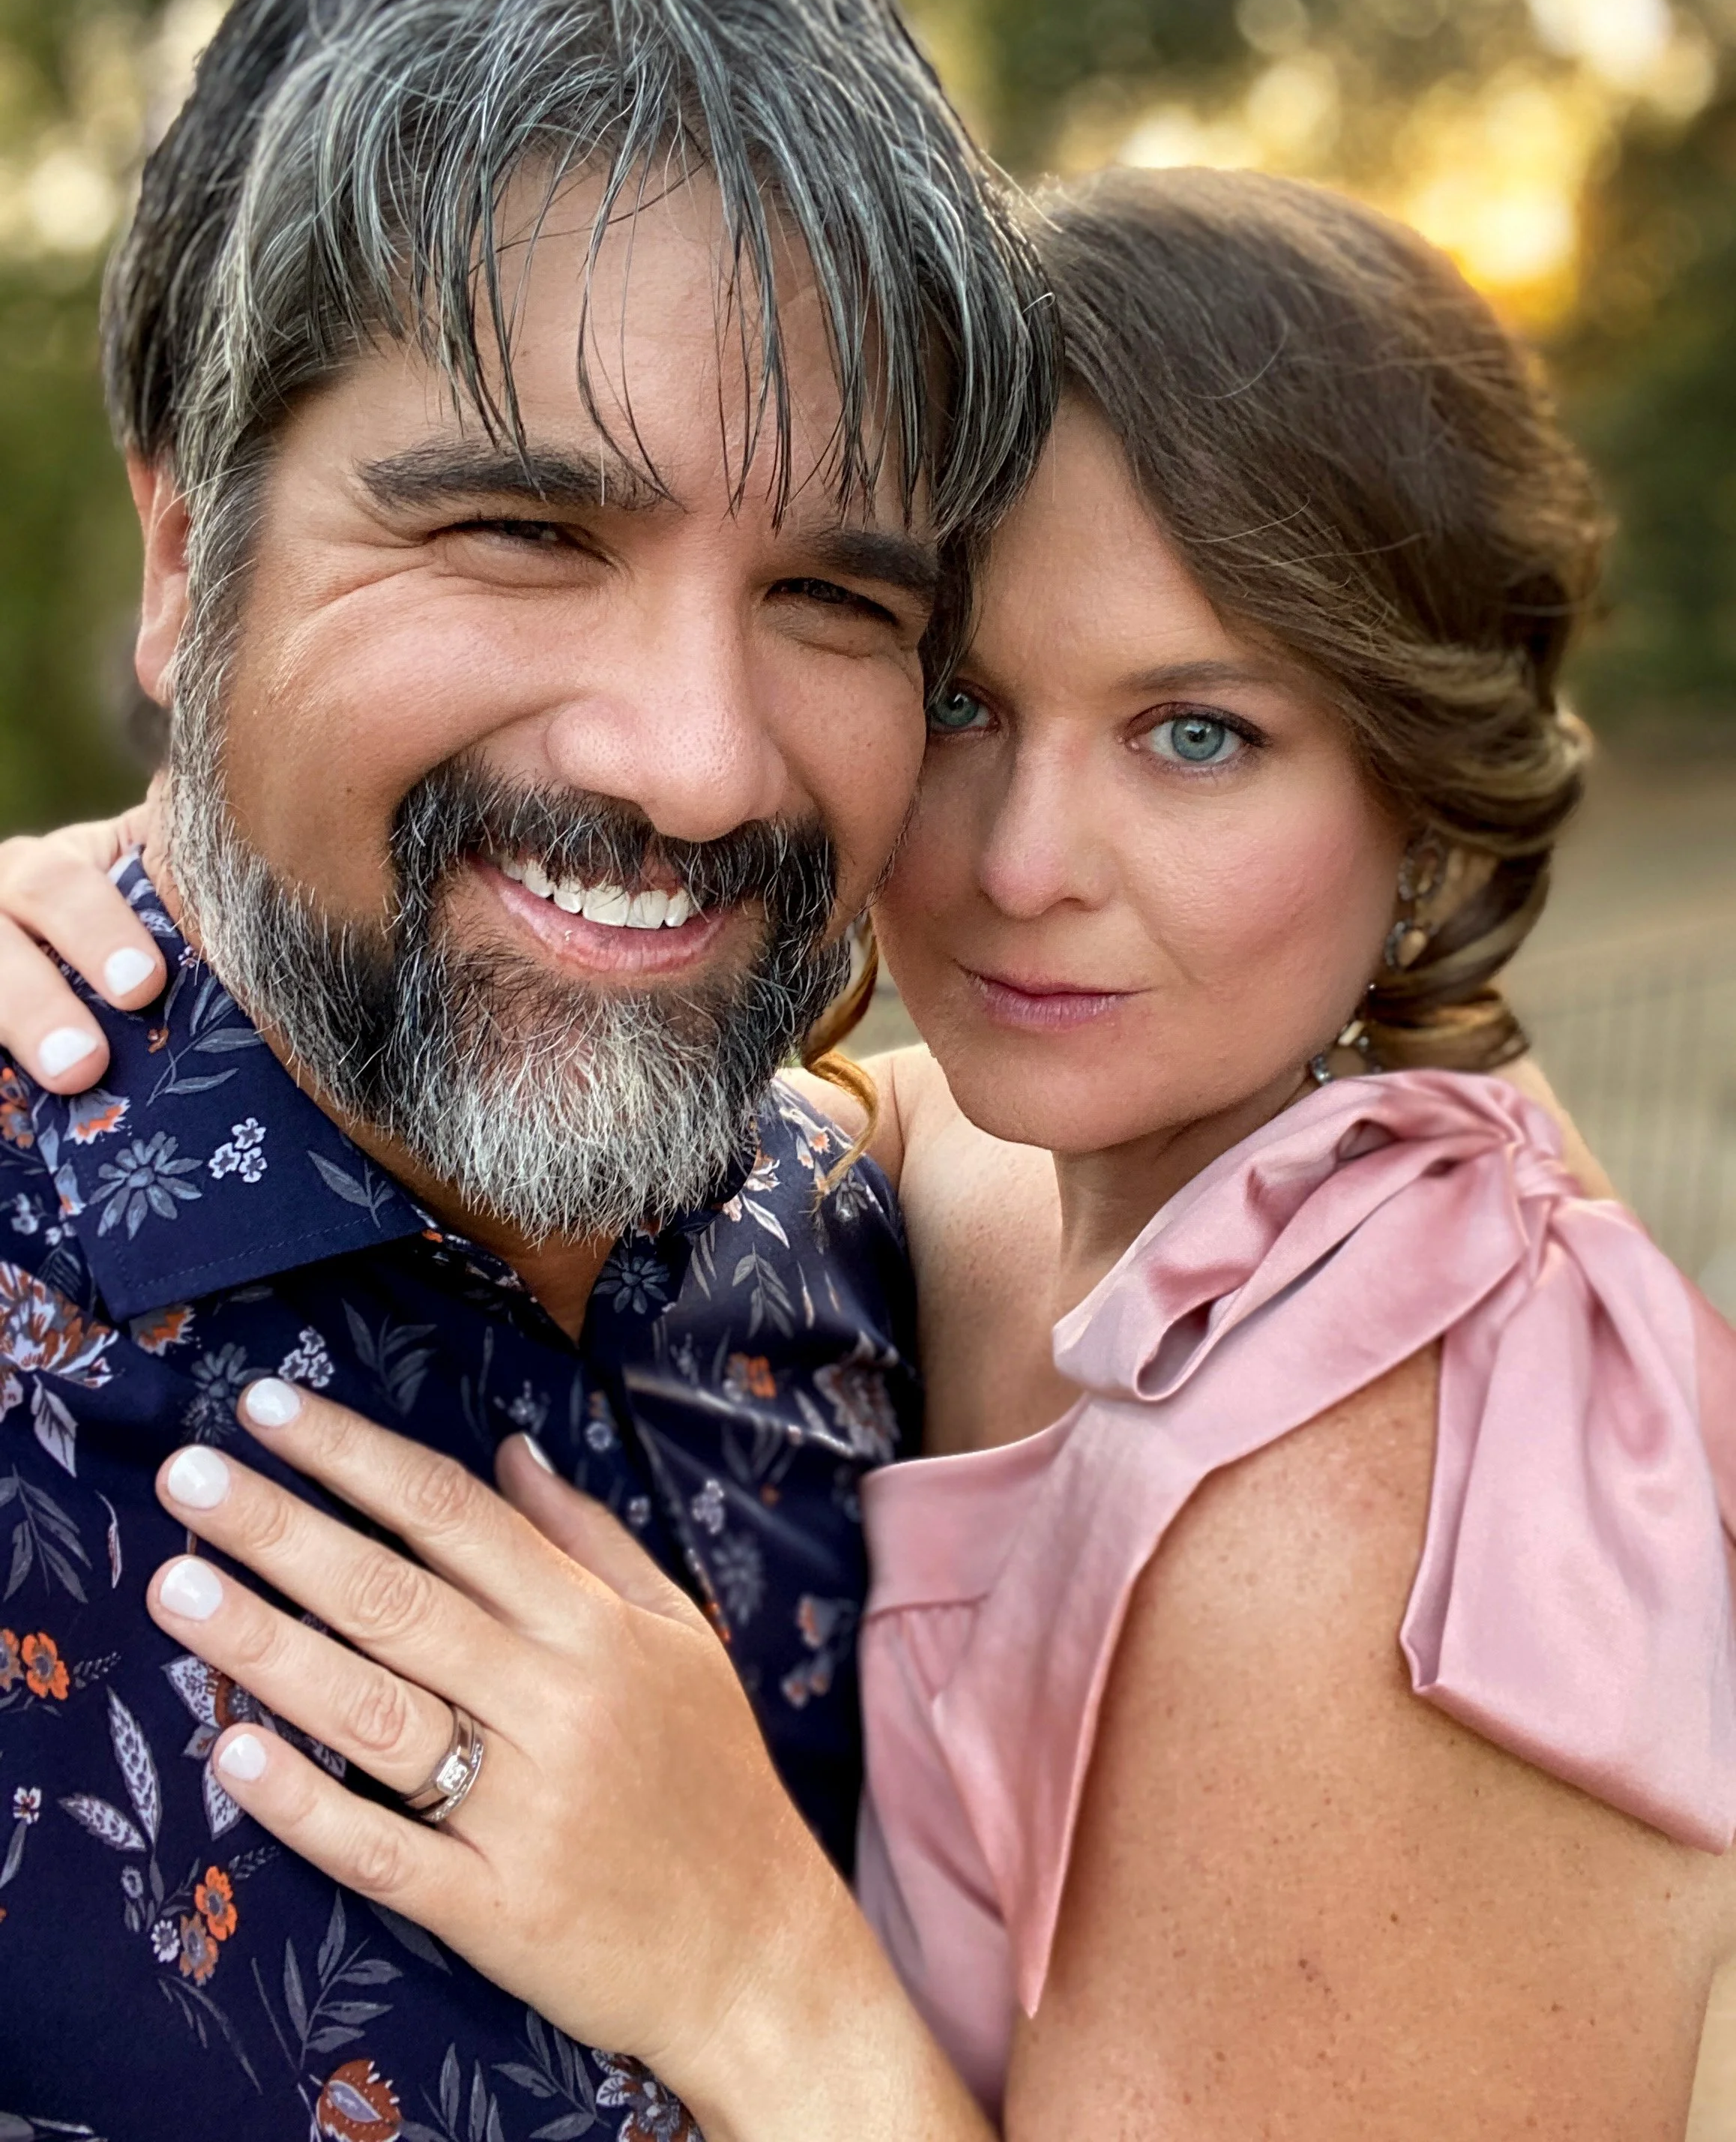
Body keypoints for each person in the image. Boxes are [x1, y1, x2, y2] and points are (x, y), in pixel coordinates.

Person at [9, 167, 1736, 2139]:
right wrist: (160, 898)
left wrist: (751, 1966)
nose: (1018, 868)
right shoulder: (1016, 1187)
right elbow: (831, 1101)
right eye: (959, 702)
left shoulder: (1387, 1513)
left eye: (1195, 734)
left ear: (1422, 797)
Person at [0, 0, 1059, 2135]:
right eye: (521, 530)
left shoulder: (899, 1269)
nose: (690, 761)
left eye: (838, 598)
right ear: (194, 560)